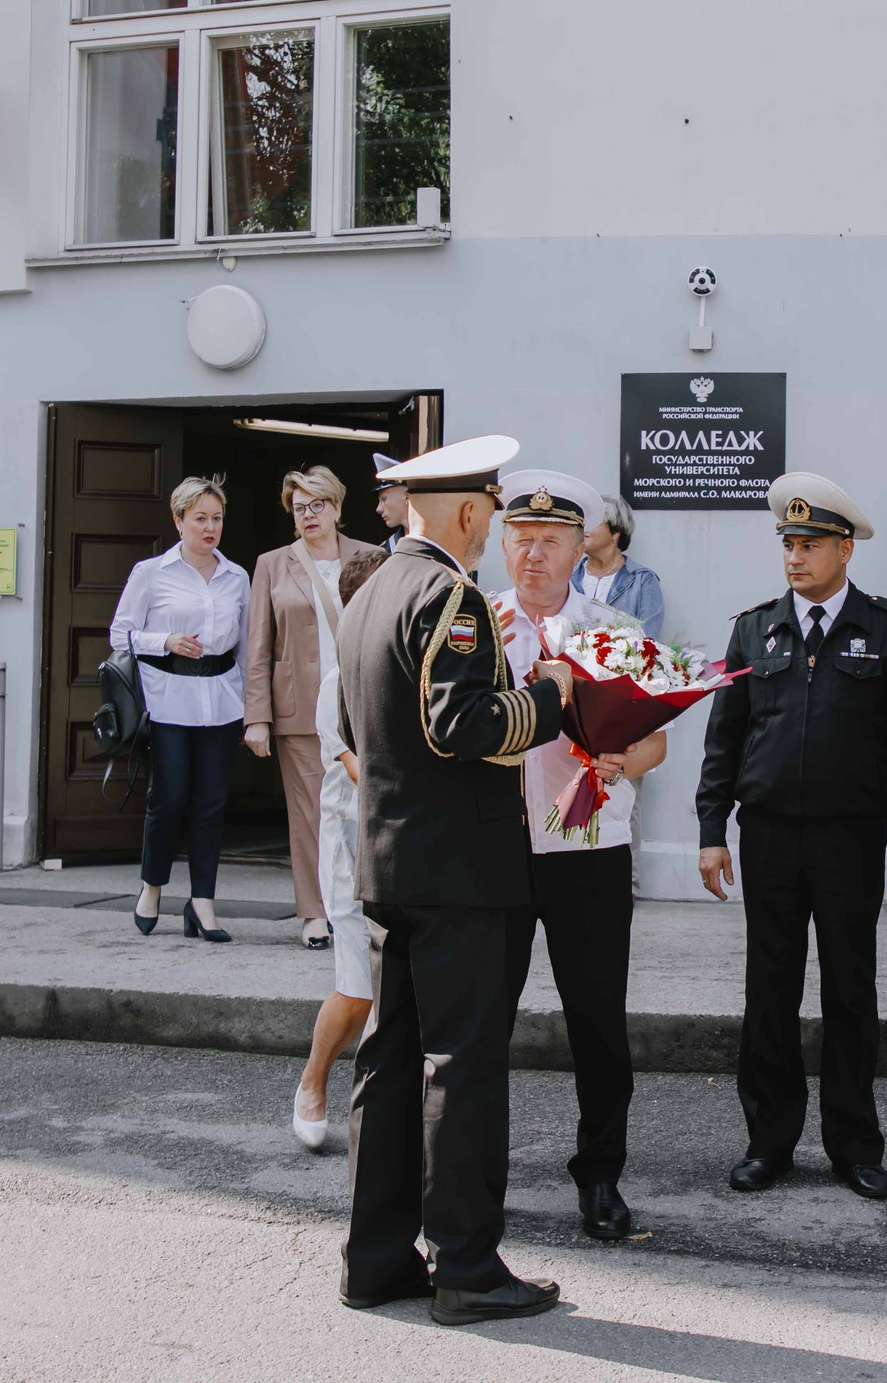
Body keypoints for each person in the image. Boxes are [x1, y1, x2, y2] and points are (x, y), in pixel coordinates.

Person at [336, 434, 575, 1327]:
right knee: (460, 1070)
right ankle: (468, 1267)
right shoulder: (450, 592)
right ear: (471, 513)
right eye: (495, 512)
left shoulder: (369, 592)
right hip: (461, 872)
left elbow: (353, 729)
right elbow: (462, 723)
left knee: (390, 1063)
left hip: (393, 863)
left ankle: (376, 1257)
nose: (494, 529)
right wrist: (551, 696)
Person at [696, 472, 887, 1202]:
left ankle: (855, 1143)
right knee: (770, 988)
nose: (795, 556)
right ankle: (768, 1141)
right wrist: (711, 831)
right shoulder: (752, 628)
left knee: (850, 989)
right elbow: (723, 742)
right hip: (767, 836)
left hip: (852, 837)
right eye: (788, 543)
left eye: (811, 543)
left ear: (846, 547)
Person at [492, 469, 665, 1241]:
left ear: (579, 548)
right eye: (521, 539)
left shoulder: (613, 632)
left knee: (596, 1019)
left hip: (587, 843)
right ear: (502, 542)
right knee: (479, 1019)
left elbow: (656, 736)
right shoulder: (477, 625)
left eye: (550, 541)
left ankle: (600, 1174)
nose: (533, 554)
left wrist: (625, 761)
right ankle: (473, 1172)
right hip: (492, 846)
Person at [110, 475, 254, 943]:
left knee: (211, 804)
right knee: (168, 798)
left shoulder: (237, 576)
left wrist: (254, 709)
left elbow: (249, 646)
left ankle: (203, 903)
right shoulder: (151, 573)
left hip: (222, 696)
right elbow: (120, 634)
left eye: (216, 519)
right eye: (199, 519)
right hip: (169, 694)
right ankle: (152, 886)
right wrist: (165, 640)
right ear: (178, 521)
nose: (210, 528)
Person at [244, 466, 379, 949]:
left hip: (363, 703)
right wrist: (257, 717)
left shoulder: (372, 557)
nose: (308, 515)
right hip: (299, 706)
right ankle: (315, 913)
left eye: (317, 505)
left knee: (367, 808)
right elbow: (258, 645)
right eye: (299, 508)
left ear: (338, 507)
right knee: (309, 815)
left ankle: (368, 907)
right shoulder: (272, 564)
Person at [294, 545, 392, 1152]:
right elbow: (362, 770)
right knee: (358, 990)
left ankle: (382, 1114)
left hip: (408, 848)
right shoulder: (338, 680)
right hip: (356, 847)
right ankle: (312, 1081)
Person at [571, 492, 664, 638]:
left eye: (594, 522)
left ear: (616, 532)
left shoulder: (642, 581)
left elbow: (649, 641)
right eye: (583, 522)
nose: (584, 528)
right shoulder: (567, 579)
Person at [372, 453, 408, 552]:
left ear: (407, 496)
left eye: (384, 499)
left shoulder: (441, 543)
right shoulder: (386, 550)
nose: (378, 509)